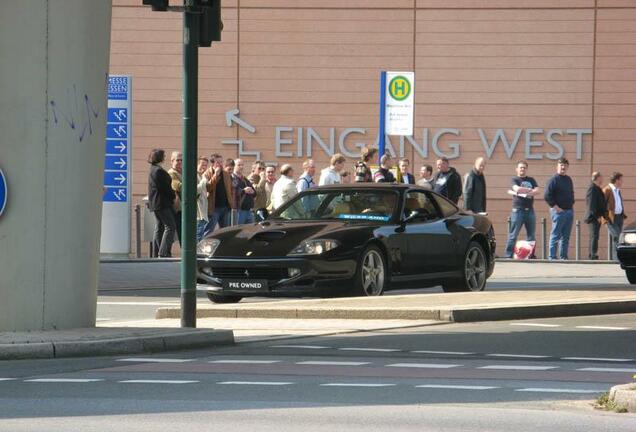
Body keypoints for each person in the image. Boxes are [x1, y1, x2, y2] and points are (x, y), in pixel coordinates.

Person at [503, 160, 540, 258]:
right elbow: (517, 189)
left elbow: (537, 191)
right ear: (517, 169)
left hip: (530, 210)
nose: (522, 169)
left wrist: (525, 191)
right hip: (518, 210)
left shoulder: (531, 180)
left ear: (526, 169)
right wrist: (530, 191)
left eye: (524, 167)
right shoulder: (514, 179)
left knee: (531, 236)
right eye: (520, 167)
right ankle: (508, 255)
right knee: (513, 235)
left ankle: (531, 255)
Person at [147, 149, 177, 257]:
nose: (165, 157)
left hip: (156, 204)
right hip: (162, 203)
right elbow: (164, 188)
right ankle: (163, 252)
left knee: (160, 227)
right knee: (170, 226)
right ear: (160, 157)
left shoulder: (153, 169)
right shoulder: (158, 171)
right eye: (164, 156)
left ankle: (157, 252)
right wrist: (173, 195)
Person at [544, 158, 575, 260]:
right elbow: (547, 195)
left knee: (565, 237)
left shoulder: (568, 180)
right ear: (557, 166)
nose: (563, 167)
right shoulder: (554, 179)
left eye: (565, 165)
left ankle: (563, 257)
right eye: (561, 165)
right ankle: (552, 257)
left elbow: (571, 193)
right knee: (555, 235)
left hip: (569, 211)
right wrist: (556, 207)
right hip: (558, 212)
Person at [203, 153, 235, 235]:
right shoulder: (207, 174)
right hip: (213, 208)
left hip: (225, 207)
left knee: (225, 232)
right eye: (218, 162)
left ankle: (224, 247)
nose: (220, 164)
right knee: (208, 231)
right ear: (213, 163)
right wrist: (215, 175)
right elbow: (207, 188)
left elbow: (231, 189)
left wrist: (231, 203)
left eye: (221, 162)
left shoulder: (226, 174)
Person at [603, 172, 627, 258]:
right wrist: (605, 218)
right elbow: (602, 205)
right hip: (610, 218)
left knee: (616, 237)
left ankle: (613, 258)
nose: (622, 182)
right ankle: (616, 258)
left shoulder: (617, 190)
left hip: (619, 217)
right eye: (621, 180)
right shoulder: (607, 190)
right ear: (616, 180)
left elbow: (618, 203)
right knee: (617, 236)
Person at [584, 171, 606, 260]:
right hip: (593, 217)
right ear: (598, 178)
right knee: (594, 235)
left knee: (595, 235)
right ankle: (593, 254)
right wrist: (596, 216)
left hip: (597, 216)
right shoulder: (592, 188)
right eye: (601, 177)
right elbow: (591, 204)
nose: (603, 179)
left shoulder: (598, 188)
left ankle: (593, 253)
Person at [231, 158, 257, 225]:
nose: (241, 167)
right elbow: (232, 191)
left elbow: (255, 193)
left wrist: (252, 191)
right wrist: (244, 191)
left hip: (249, 211)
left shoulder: (245, 179)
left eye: (242, 165)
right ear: (234, 166)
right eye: (239, 165)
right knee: (238, 231)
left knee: (250, 232)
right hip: (239, 210)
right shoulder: (231, 177)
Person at [167, 151, 183, 245]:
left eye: (181, 160)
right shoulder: (171, 173)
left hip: (186, 208)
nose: (180, 162)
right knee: (180, 232)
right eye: (177, 160)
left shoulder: (183, 172)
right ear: (172, 161)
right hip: (177, 208)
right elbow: (178, 186)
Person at [196, 157, 212, 242]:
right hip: (198, 213)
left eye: (206, 165)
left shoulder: (201, 176)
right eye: (202, 164)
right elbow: (196, 190)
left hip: (203, 212)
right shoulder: (194, 175)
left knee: (200, 237)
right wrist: (204, 179)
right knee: (198, 238)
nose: (204, 167)